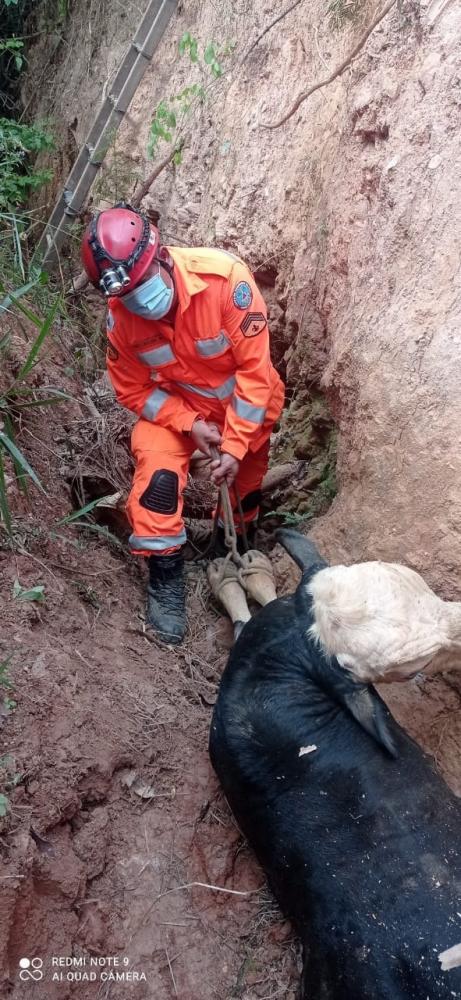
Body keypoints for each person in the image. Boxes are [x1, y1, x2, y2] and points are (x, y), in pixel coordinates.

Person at [80, 204, 285, 645]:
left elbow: (255, 375)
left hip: (246, 409)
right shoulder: (122, 320)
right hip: (180, 413)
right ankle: (166, 577)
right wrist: (189, 423)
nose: (140, 301)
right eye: (128, 294)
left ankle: (230, 543)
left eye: (143, 285)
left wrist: (234, 446)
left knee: (245, 486)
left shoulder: (225, 282)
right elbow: (132, 390)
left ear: (161, 256)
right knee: (157, 481)